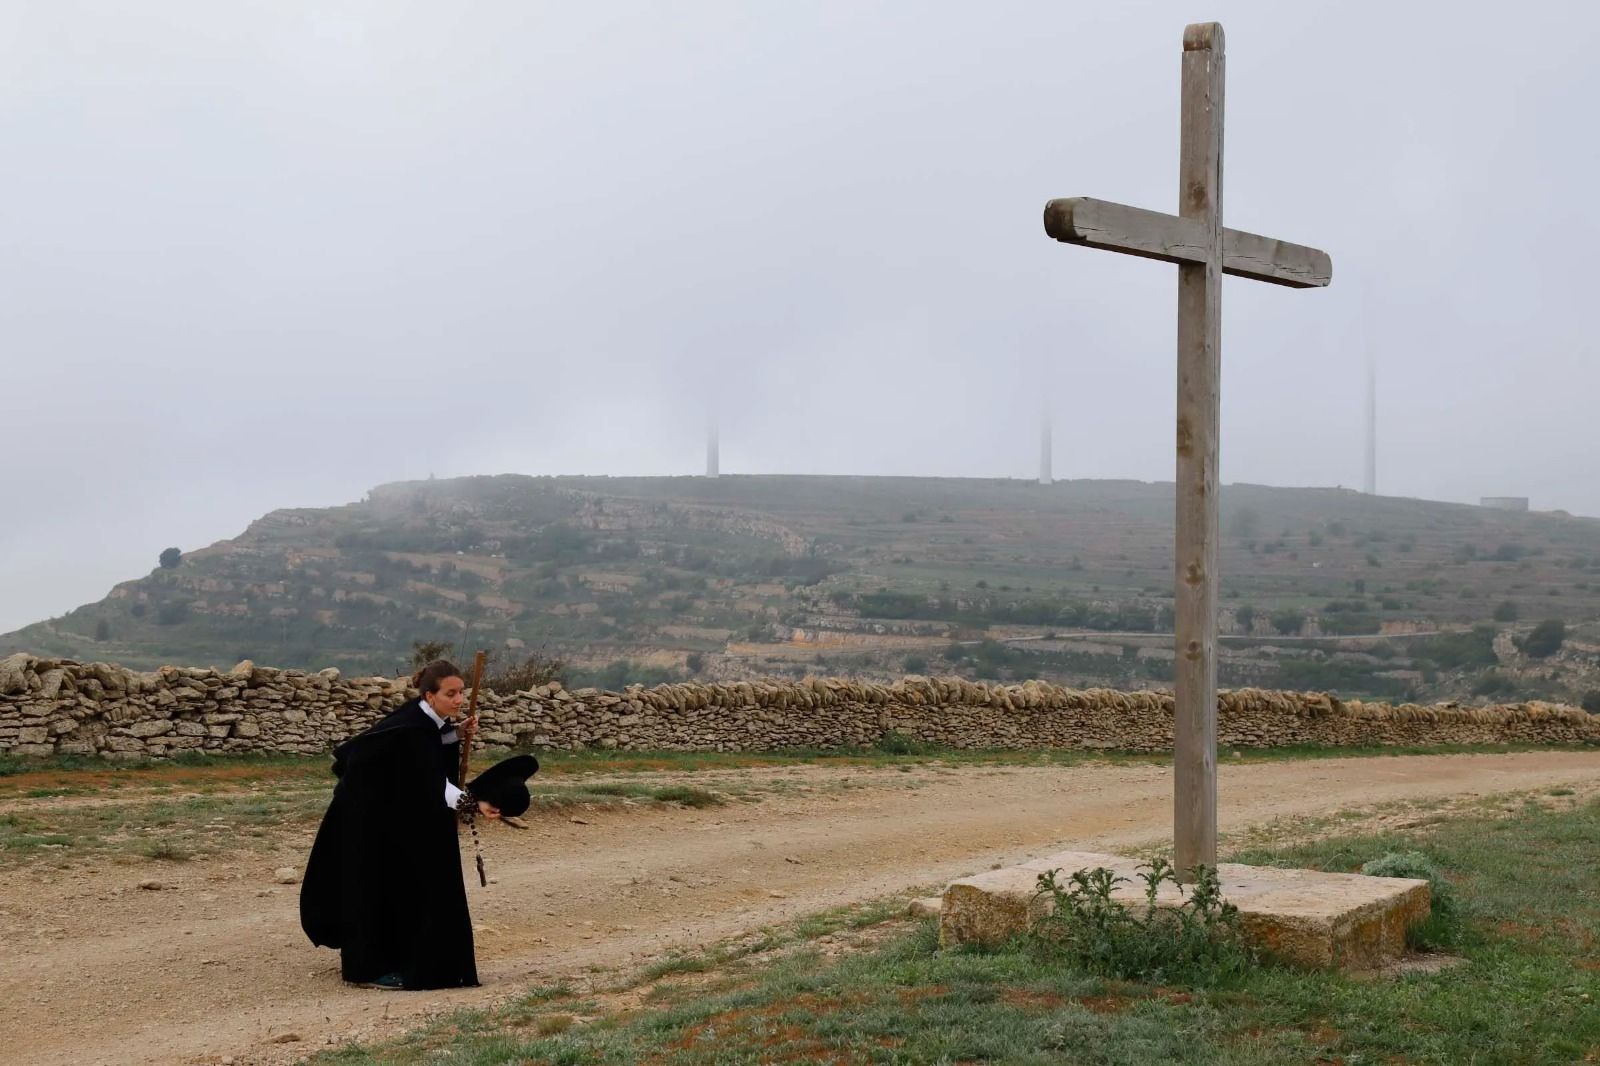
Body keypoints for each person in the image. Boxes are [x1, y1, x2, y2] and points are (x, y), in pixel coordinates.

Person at [299, 659, 534, 990]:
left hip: (390, 818)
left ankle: (399, 955)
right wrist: (474, 803)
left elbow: (431, 748)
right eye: (451, 694)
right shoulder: (410, 729)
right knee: (374, 887)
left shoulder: (425, 724)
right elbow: (431, 782)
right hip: (367, 822)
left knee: (403, 885)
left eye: (461, 693)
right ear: (429, 696)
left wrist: (454, 733)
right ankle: (366, 971)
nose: (458, 700)